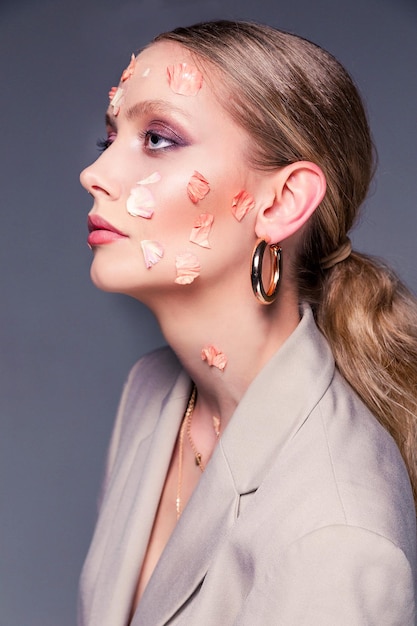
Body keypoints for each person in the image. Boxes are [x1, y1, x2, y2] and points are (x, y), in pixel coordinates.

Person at [78, 20, 417, 625]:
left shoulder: (336, 536)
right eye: (110, 137)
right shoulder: (151, 394)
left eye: (157, 138)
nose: (95, 174)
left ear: (282, 203)